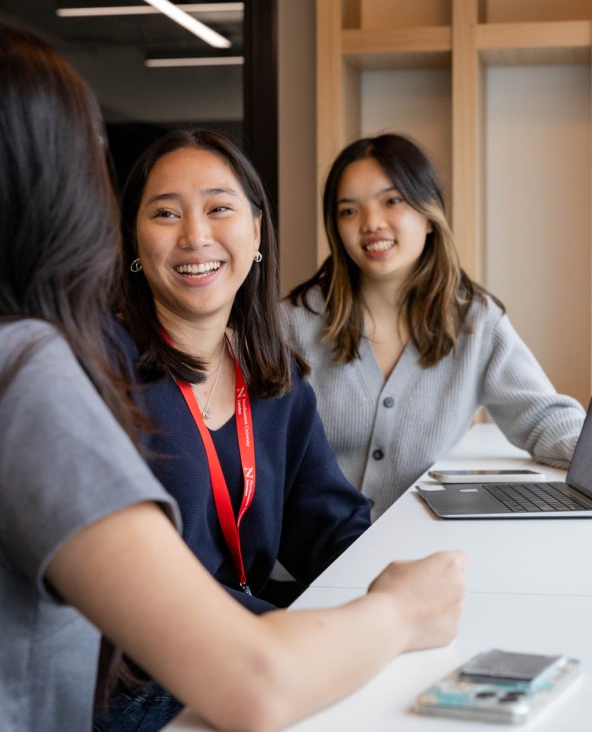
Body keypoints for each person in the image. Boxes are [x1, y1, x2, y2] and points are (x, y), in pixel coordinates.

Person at [0, 20, 466, 732]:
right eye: (82, 155)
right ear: (32, 188)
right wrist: (400, 611)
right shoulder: (13, 373)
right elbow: (254, 683)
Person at [102, 129, 373, 728]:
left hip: (240, 648)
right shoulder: (102, 369)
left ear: (256, 231)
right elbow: (147, 591)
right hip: (136, 686)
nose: (195, 235)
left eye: (219, 208)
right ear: (134, 242)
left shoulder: (272, 375)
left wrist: (391, 583)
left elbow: (331, 527)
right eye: (166, 213)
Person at [285, 133, 588, 519]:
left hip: (416, 550)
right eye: (349, 211)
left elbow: (540, 415)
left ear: (429, 215)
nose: (370, 223)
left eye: (392, 201)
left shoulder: (475, 322)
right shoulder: (293, 323)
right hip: (305, 567)